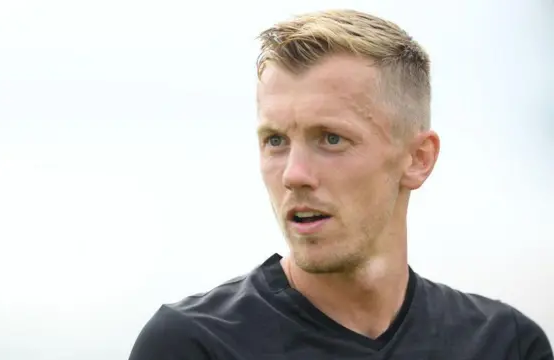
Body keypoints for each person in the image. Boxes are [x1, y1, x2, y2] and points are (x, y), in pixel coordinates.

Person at [128, 9, 552, 360]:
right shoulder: (193, 346)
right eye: (275, 140)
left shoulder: (506, 345)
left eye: (331, 138)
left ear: (418, 159)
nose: (294, 174)